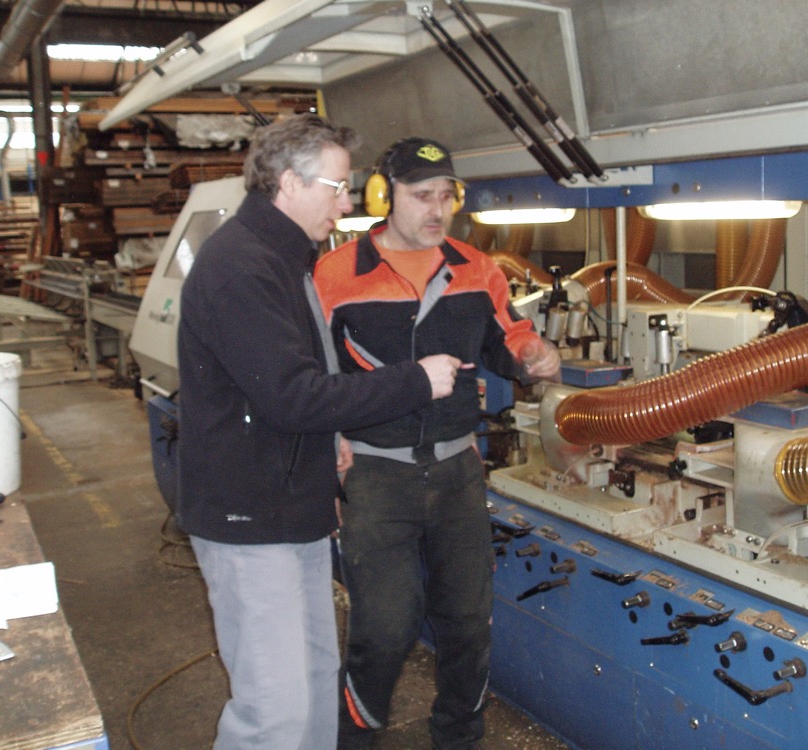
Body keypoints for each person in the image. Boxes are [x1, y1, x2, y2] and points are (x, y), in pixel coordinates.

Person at [176, 116, 466, 750]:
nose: (346, 203)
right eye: (337, 188)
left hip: (294, 509)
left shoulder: (286, 257)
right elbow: (293, 396)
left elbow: (302, 374)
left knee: (310, 682)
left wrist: (329, 435)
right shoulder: (243, 269)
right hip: (249, 516)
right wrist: (414, 380)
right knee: (272, 710)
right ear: (287, 183)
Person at [313, 137, 561, 750]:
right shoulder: (336, 275)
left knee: (469, 626)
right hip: (376, 476)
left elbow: (509, 339)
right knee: (385, 629)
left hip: (456, 474)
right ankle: (355, 742)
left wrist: (533, 354)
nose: (436, 209)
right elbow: (312, 380)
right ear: (383, 196)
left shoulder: (477, 269)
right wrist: (329, 455)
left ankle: (457, 738)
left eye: (446, 196)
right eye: (421, 196)